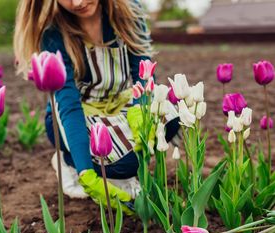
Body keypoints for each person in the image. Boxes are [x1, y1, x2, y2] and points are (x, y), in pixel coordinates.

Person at [14, 0, 180, 213]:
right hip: (78, 115)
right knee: (125, 164)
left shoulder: (130, 13)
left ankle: (114, 171)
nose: (78, 2)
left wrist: (141, 110)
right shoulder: (55, 34)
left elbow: (143, 73)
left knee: (171, 118)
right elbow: (69, 105)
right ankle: (70, 162)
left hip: (119, 105)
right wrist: (86, 173)